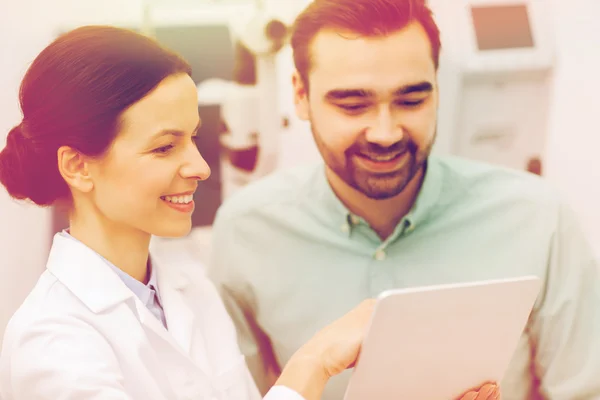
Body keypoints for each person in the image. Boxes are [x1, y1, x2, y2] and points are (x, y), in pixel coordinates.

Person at [0, 25, 494, 400]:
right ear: (78, 166)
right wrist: (314, 363)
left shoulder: (186, 288)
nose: (197, 166)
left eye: (192, 137)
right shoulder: (52, 343)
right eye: (164, 147)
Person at [207, 0, 600, 399]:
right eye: (352, 104)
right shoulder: (246, 232)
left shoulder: (537, 218)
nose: (385, 133)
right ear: (300, 95)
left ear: (437, 89)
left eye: (411, 101)